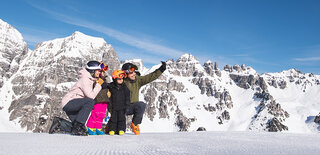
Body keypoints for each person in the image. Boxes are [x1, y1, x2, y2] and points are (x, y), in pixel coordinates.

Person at [60, 61, 105, 136]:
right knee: (90, 102)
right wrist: (98, 85)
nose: (99, 73)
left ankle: (59, 124)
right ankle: (78, 126)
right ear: (92, 70)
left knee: (78, 127)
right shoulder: (85, 79)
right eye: (98, 71)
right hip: (69, 102)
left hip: (74, 103)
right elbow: (90, 96)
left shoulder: (89, 79)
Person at [122, 61, 166, 135]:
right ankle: (110, 125)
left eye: (134, 72)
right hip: (121, 107)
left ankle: (135, 124)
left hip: (132, 106)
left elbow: (150, 77)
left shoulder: (137, 80)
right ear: (125, 73)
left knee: (141, 105)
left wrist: (161, 69)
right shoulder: (120, 81)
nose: (134, 74)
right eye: (131, 73)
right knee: (119, 129)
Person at [86, 65, 111, 135]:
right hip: (98, 99)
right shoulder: (95, 79)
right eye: (101, 72)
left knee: (102, 115)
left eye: (103, 72)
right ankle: (90, 127)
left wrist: (108, 92)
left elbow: (107, 86)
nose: (103, 73)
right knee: (95, 113)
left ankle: (98, 127)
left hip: (105, 99)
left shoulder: (105, 80)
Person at [107, 70, 130, 135]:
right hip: (113, 107)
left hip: (122, 107)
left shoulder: (125, 87)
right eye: (119, 79)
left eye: (122, 79)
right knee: (113, 119)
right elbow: (109, 98)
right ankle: (112, 129)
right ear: (114, 78)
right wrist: (109, 106)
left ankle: (121, 129)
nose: (121, 80)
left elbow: (127, 97)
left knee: (121, 119)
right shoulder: (111, 87)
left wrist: (127, 105)